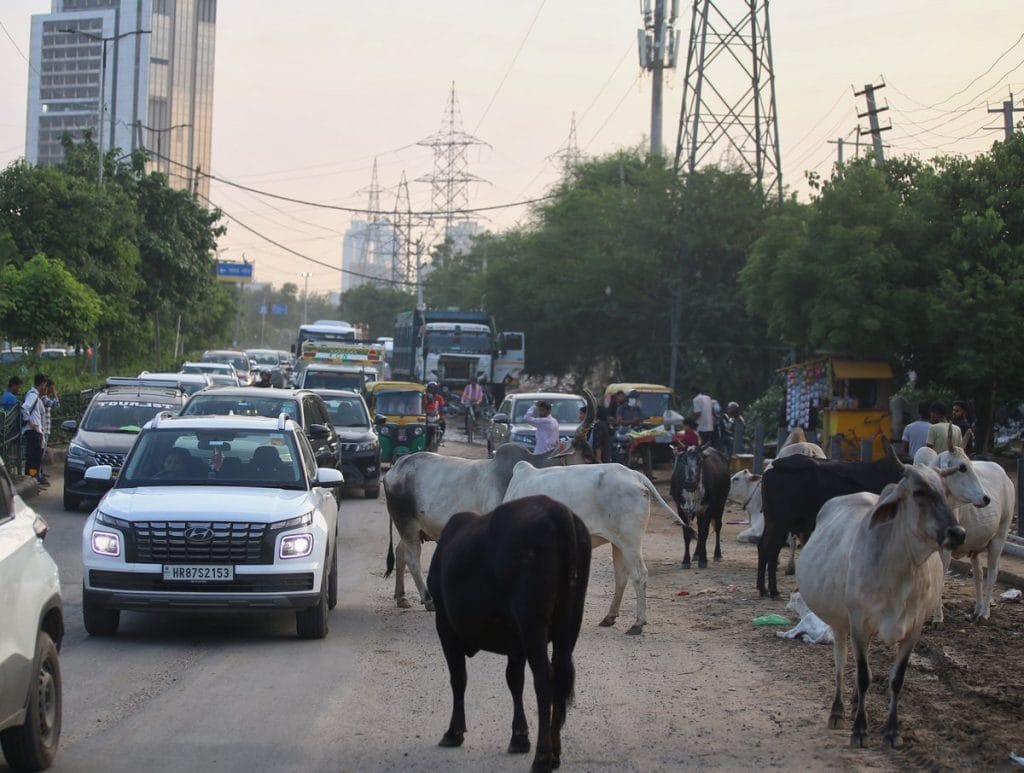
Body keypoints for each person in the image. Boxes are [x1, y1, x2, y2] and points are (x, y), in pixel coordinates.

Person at [20, 373, 48, 486]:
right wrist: (30, 423)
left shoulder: (34, 395)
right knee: (34, 458)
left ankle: (32, 479)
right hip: (33, 432)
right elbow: (24, 408)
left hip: (35, 431)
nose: (45, 388)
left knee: (34, 458)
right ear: (41, 384)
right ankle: (33, 479)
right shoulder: (32, 395)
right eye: (45, 385)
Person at [38, 378, 59, 484]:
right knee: (40, 453)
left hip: (46, 428)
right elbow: (56, 405)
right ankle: (39, 474)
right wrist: (55, 394)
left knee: (41, 452)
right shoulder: (44, 398)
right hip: (43, 429)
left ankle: (40, 472)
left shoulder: (44, 397)